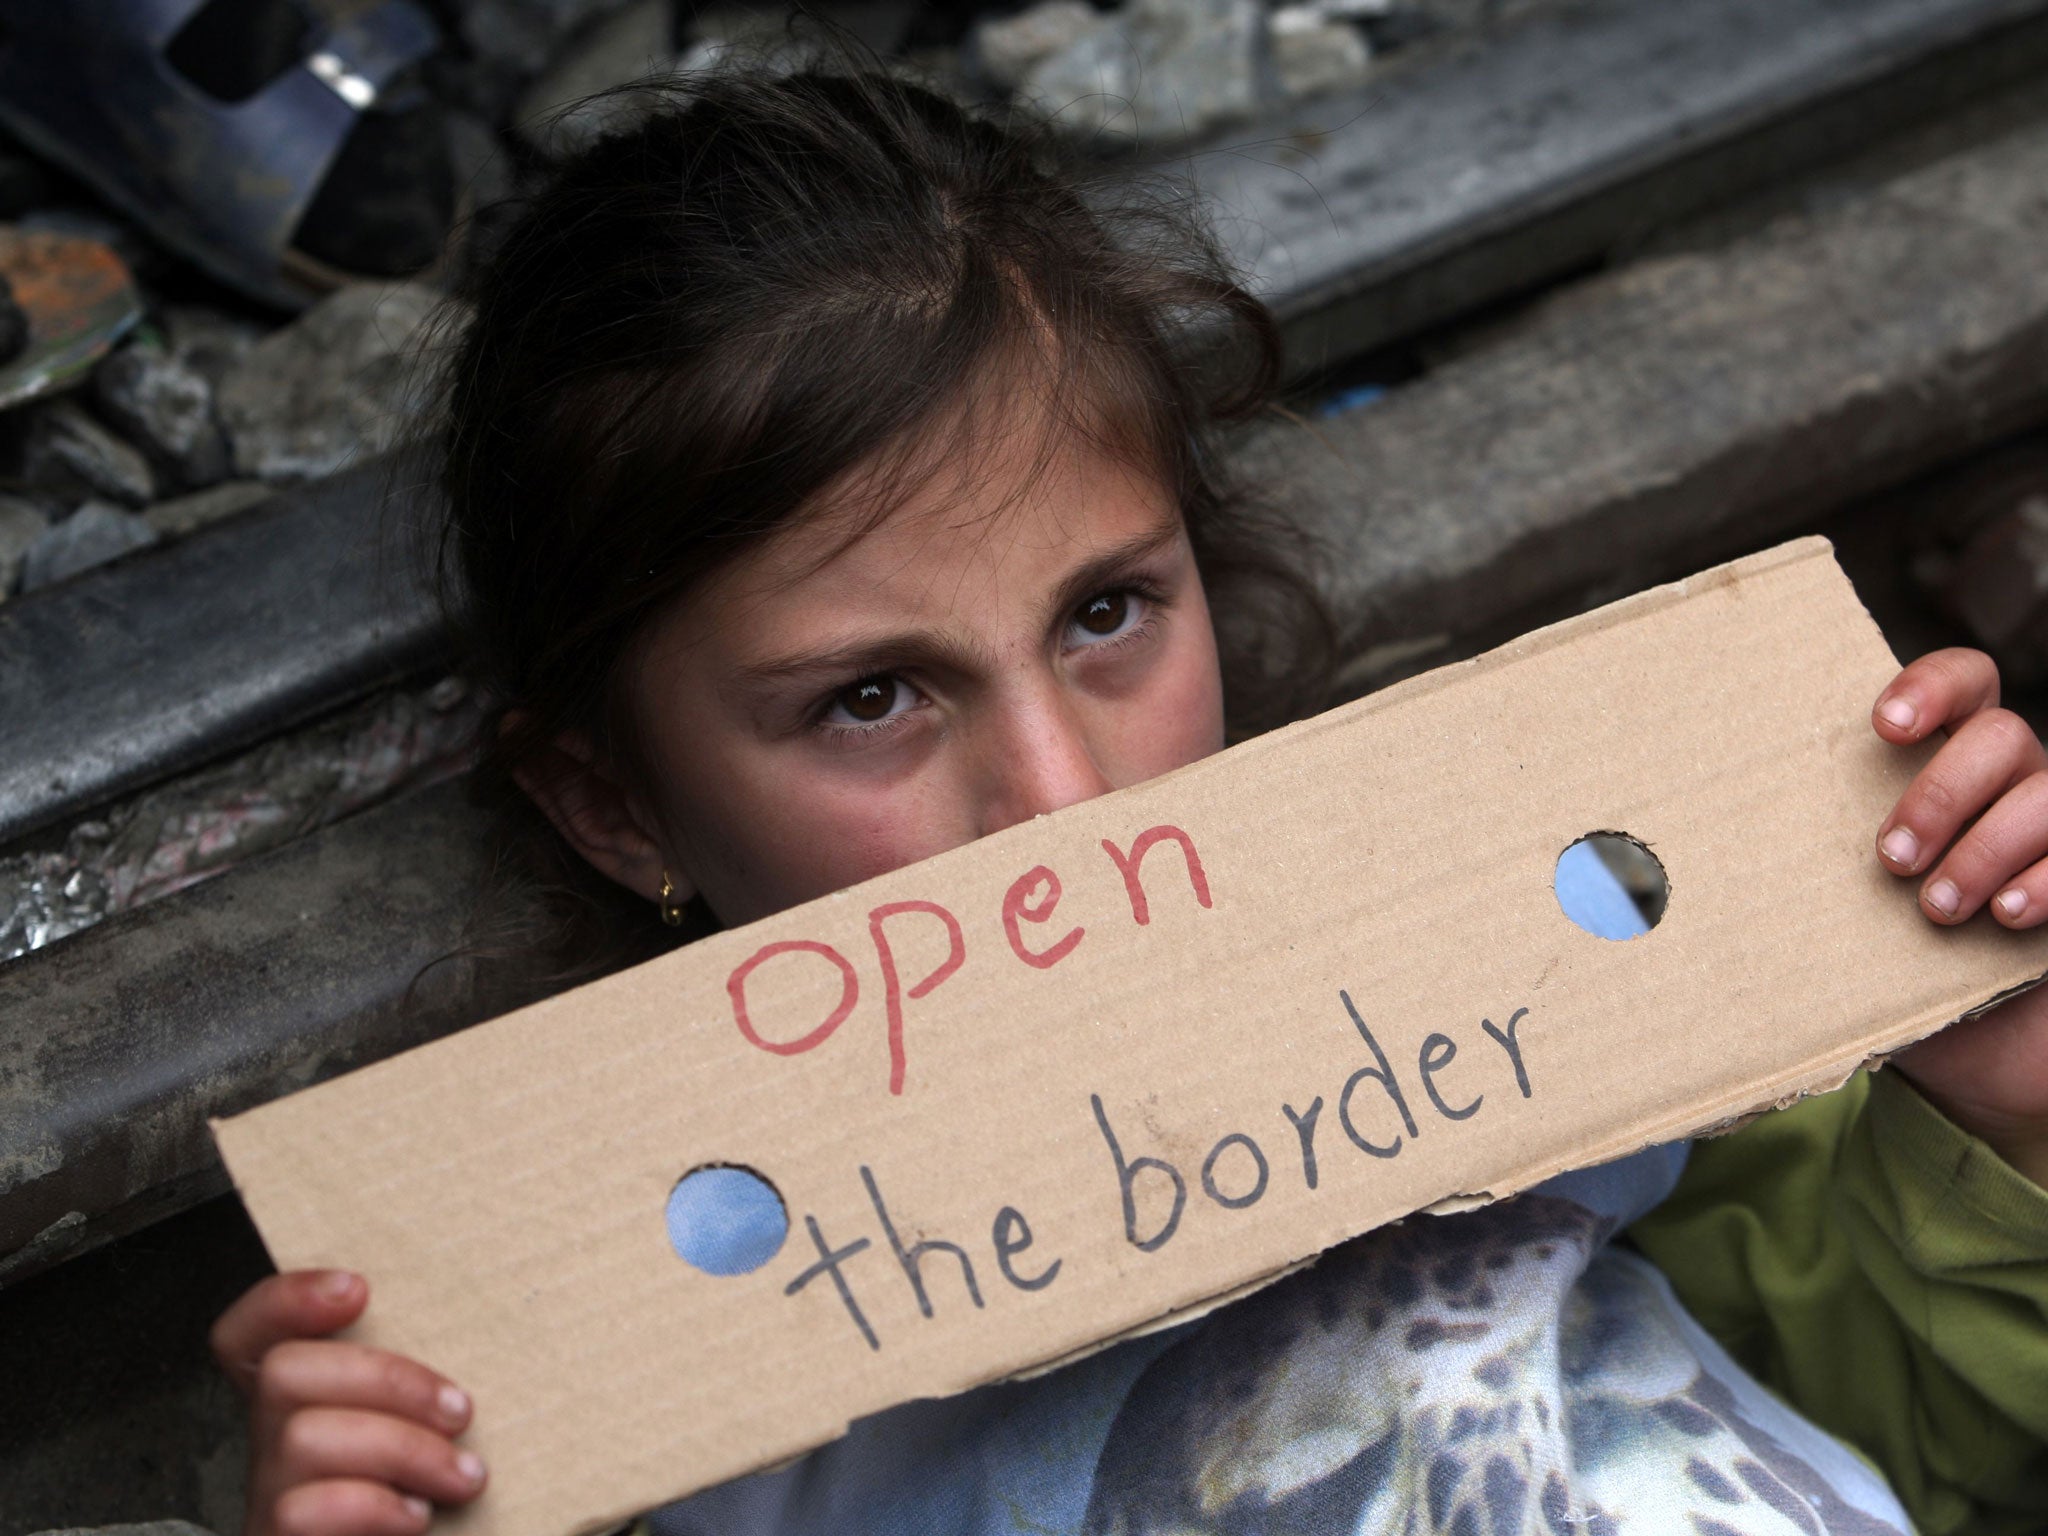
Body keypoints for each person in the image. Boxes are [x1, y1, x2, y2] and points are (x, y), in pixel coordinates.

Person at [206, 63, 2048, 1536]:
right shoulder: (578, 1379)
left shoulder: (1526, 1000)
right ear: (614, 804)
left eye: (1107, 614)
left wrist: (2003, 1129)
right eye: (869, 698)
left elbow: (1896, 1439)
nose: (1062, 801)